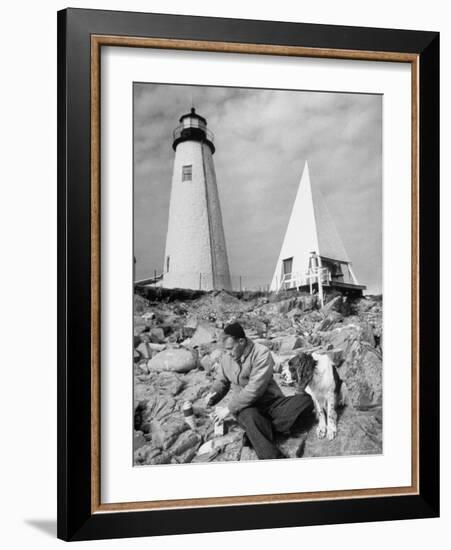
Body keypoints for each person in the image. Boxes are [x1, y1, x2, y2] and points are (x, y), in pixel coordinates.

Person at [206, 322, 313, 459]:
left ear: (241, 341)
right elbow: (222, 381)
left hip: (272, 403)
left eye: (230, 349)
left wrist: (228, 409)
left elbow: (255, 389)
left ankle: (258, 432)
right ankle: (273, 458)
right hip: (246, 407)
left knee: (305, 401)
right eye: (225, 350)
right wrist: (213, 395)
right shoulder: (226, 359)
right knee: (250, 417)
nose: (227, 353)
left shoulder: (261, 352)